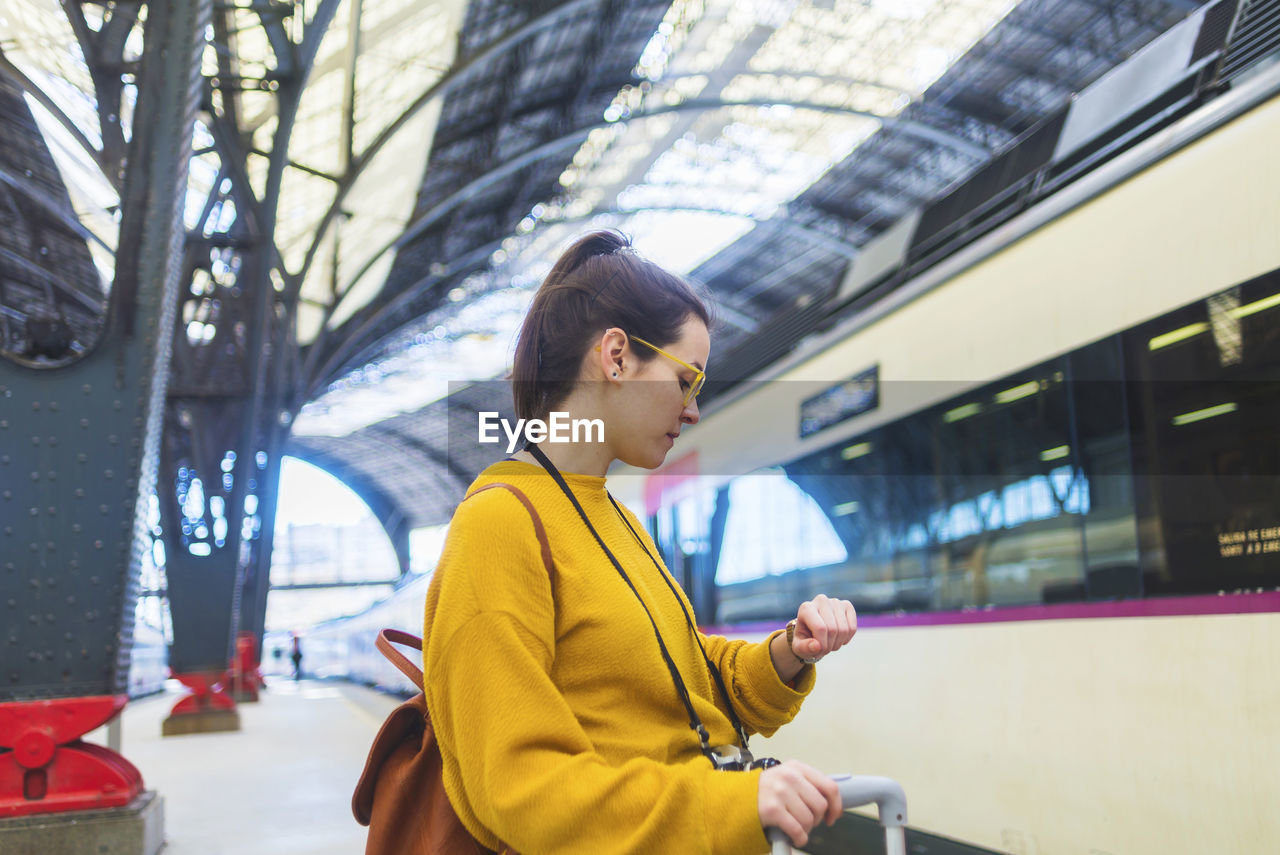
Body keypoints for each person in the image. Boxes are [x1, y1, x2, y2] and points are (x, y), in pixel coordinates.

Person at [423, 230, 858, 854]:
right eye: (685, 381)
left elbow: (687, 688)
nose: (693, 411)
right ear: (618, 356)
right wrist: (724, 803)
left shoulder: (618, 520)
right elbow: (518, 785)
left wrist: (791, 651)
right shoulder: (500, 524)